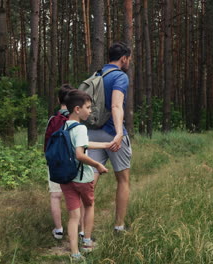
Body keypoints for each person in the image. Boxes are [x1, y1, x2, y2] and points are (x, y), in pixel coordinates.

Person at [60, 90, 110, 260]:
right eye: (88, 107)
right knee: (89, 206)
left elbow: (83, 144)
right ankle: (87, 243)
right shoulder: (81, 127)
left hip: (66, 178)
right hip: (82, 178)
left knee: (73, 216)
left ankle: (74, 253)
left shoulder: (65, 125)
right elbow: (80, 154)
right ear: (77, 109)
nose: (90, 111)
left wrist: (105, 145)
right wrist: (98, 165)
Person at [88, 42, 132, 232]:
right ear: (123, 58)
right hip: (113, 134)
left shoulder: (96, 75)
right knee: (123, 179)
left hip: (93, 133)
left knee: (90, 181)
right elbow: (116, 106)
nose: (129, 61)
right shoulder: (120, 76)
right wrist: (119, 132)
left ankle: (82, 229)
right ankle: (119, 226)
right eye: (129, 58)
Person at [44, 84, 72, 240]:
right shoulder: (75, 119)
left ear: (58, 99)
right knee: (75, 195)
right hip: (73, 164)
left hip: (55, 164)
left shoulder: (53, 120)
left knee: (55, 196)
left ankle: (59, 230)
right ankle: (79, 229)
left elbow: (46, 145)